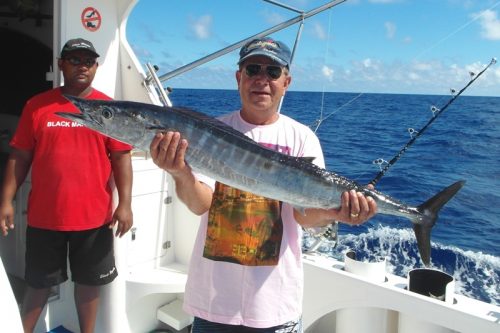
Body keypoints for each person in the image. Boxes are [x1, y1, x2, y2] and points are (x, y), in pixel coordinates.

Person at [149, 37, 377, 332]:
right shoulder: (207, 131)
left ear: (286, 82)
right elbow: (200, 204)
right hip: (213, 302)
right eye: (253, 69)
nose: (262, 79)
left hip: (275, 304)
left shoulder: (302, 138)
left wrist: (337, 212)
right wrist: (179, 172)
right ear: (238, 77)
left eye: (272, 72)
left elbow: (303, 215)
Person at [0, 38, 133, 333]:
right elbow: (20, 156)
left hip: (95, 218)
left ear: (96, 66)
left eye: (88, 60)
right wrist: (6, 199)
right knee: (38, 284)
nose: (81, 66)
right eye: (74, 60)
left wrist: (125, 204)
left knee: (89, 284)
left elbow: (122, 158)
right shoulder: (37, 106)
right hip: (45, 217)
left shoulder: (109, 109)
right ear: (61, 64)